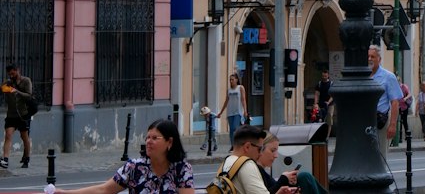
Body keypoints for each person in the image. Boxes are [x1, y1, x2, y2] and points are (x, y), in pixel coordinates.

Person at [48, 119, 194, 194]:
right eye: (147, 137)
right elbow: (104, 190)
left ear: (169, 142)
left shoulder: (181, 169)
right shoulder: (134, 167)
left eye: (155, 138)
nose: (149, 141)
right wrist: (65, 193)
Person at [257, 131, 326, 194]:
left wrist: (288, 183)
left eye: (276, 151)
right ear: (260, 150)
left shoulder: (261, 171)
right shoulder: (255, 171)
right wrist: (283, 179)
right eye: (272, 150)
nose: (276, 156)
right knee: (304, 177)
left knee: (304, 177)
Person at [368, 45, 403, 161]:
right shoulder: (364, 76)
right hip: (365, 121)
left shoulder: (388, 77)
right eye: (368, 56)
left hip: (380, 121)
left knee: (380, 155)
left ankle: (380, 178)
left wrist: (393, 125)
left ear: (379, 59)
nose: (369, 59)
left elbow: (395, 102)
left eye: (372, 56)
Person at [215, 124, 270, 194]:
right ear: (247, 147)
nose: (261, 154)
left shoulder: (225, 164)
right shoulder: (247, 165)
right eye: (260, 149)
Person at [1, 64, 33, 169]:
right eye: (9, 74)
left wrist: (17, 91)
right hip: (11, 115)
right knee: (8, 135)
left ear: (17, 71)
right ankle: (5, 160)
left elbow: (29, 95)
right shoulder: (8, 82)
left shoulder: (26, 81)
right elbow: (0, 89)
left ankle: (27, 158)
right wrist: (3, 87)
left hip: (23, 114)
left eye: (13, 73)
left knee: (24, 137)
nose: (11, 76)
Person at [219, 72, 249, 144]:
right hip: (230, 112)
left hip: (238, 112)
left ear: (236, 80)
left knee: (235, 127)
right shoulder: (229, 90)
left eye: (232, 79)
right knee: (231, 129)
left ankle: (238, 143)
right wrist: (221, 112)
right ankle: (233, 145)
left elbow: (243, 99)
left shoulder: (240, 88)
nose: (231, 81)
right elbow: (226, 101)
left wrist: (245, 111)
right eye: (230, 80)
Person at [316, 70, 333, 135]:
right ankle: (321, 134)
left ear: (328, 75)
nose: (324, 77)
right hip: (321, 104)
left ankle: (327, 136)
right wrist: (316, 103)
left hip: (330, 105)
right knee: (320, 118)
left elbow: (333, 95)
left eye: (325, 76)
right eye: (323, 76)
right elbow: (317, 94)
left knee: (329, 119)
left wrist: (328, 102)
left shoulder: (331, 84)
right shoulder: (319, 84)